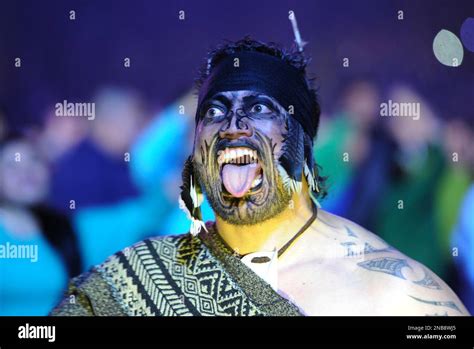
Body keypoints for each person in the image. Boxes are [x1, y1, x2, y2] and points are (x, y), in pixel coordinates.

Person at [51, 38, 468, 316]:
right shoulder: (137, 278)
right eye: (213, 112)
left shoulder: (396, 296)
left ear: (304, 143)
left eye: (260, 108)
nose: (232, 127)